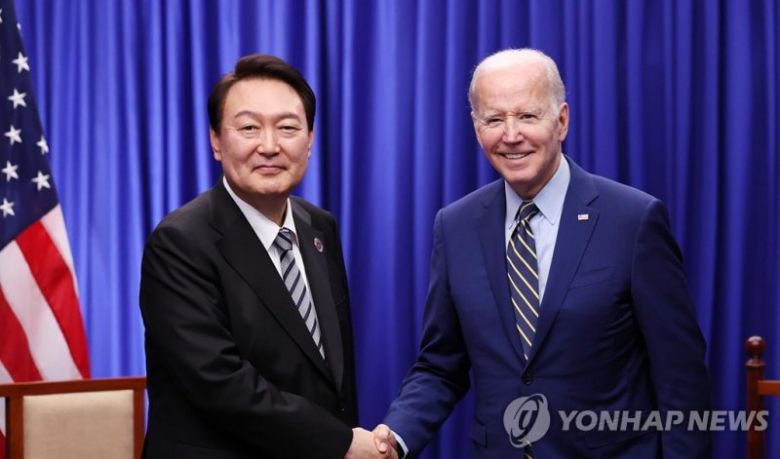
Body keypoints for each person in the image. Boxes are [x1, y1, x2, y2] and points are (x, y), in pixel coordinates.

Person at [374, 49, 711, 458]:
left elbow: (681, 379)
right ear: (476, 128)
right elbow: (440, 366)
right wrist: (394, 438)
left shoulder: (633, 220)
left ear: (562, 120)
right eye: (494, 119)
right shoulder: (455, 226)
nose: (511, 135)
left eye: (528, 116)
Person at [140, 54, 386, 458]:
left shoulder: (318, 226)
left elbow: (330, 375)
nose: (269, 146)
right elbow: (220, 383)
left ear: (310, 140)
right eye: (249, 127)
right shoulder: (180, 242)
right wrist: (341, 443)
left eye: (288, 127)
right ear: (217, 141)